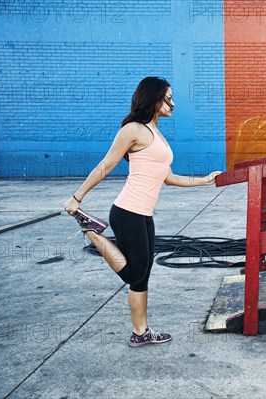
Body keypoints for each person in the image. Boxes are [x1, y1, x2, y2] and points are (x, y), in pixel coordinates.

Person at [64, 76, 222, 347]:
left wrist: (204, 180)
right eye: (168, 97)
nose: (173, 103)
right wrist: (77, 197)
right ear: (154, 99)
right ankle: (90, 230)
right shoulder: (133, 130)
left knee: (142, 276)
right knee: (134, 275)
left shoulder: (156, 133)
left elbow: (168, 177)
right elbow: (106, 165)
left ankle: (141, 333)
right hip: (127, 213)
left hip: (143, 215)